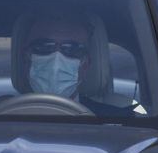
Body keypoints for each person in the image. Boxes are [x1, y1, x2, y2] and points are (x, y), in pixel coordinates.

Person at [11, 8, 139, 117]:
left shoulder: (120, 123)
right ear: (26, 58)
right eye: (44, 46)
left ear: (85, 65)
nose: (57, 59)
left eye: (72, 49)